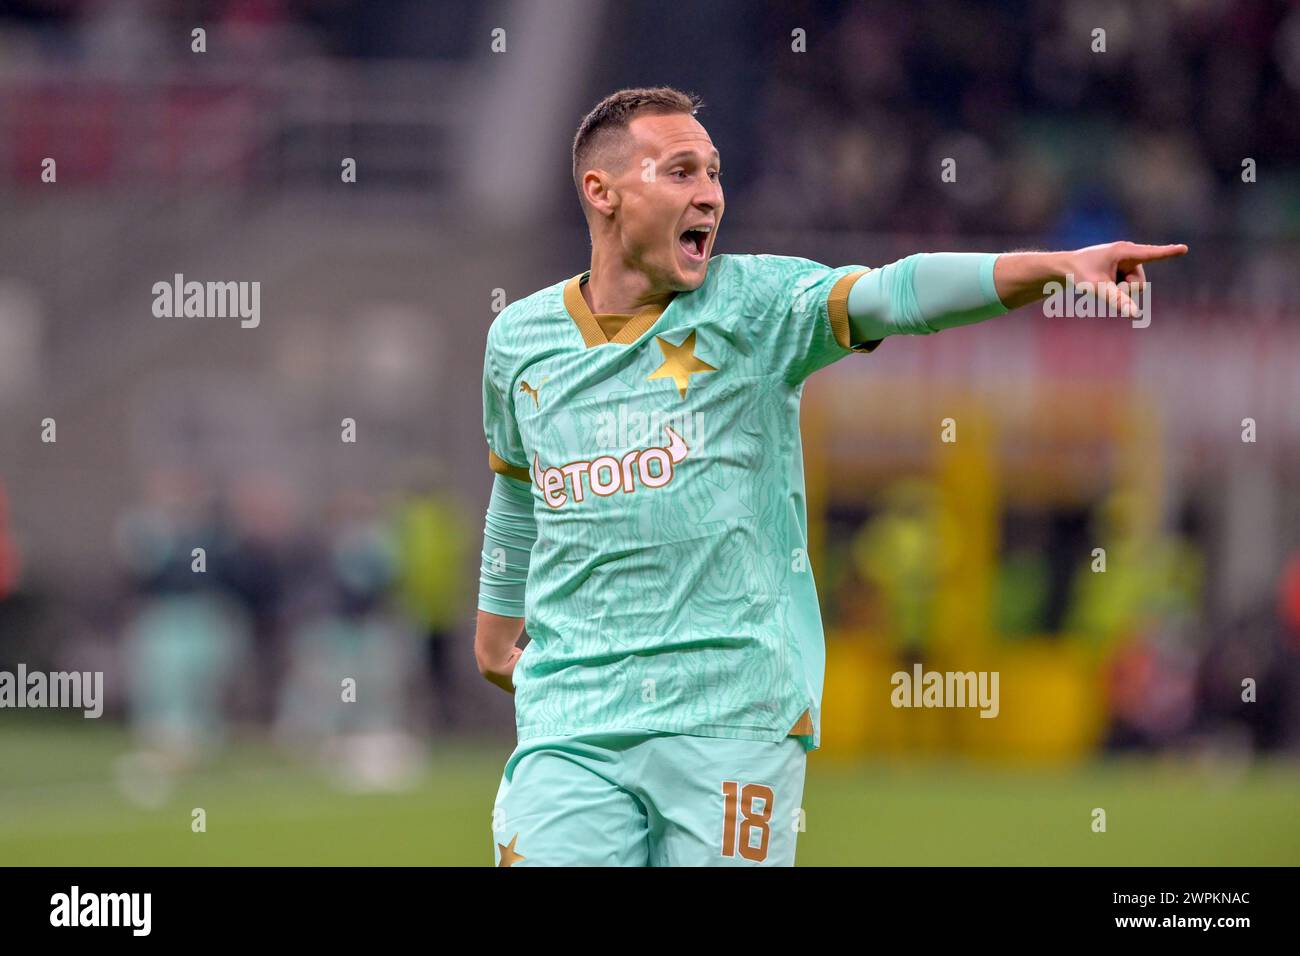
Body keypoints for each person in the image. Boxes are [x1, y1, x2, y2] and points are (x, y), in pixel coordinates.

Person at [475, 86, 1186, 866]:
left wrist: (1050, 266)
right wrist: (495, 625)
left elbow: (896, 293)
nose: (710, 192)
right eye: (681, 172)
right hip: (569, 720)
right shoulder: (520, 340)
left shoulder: (754, 306)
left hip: (729, 718)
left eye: (713, 173)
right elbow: (518, 488)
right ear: (601, 192)